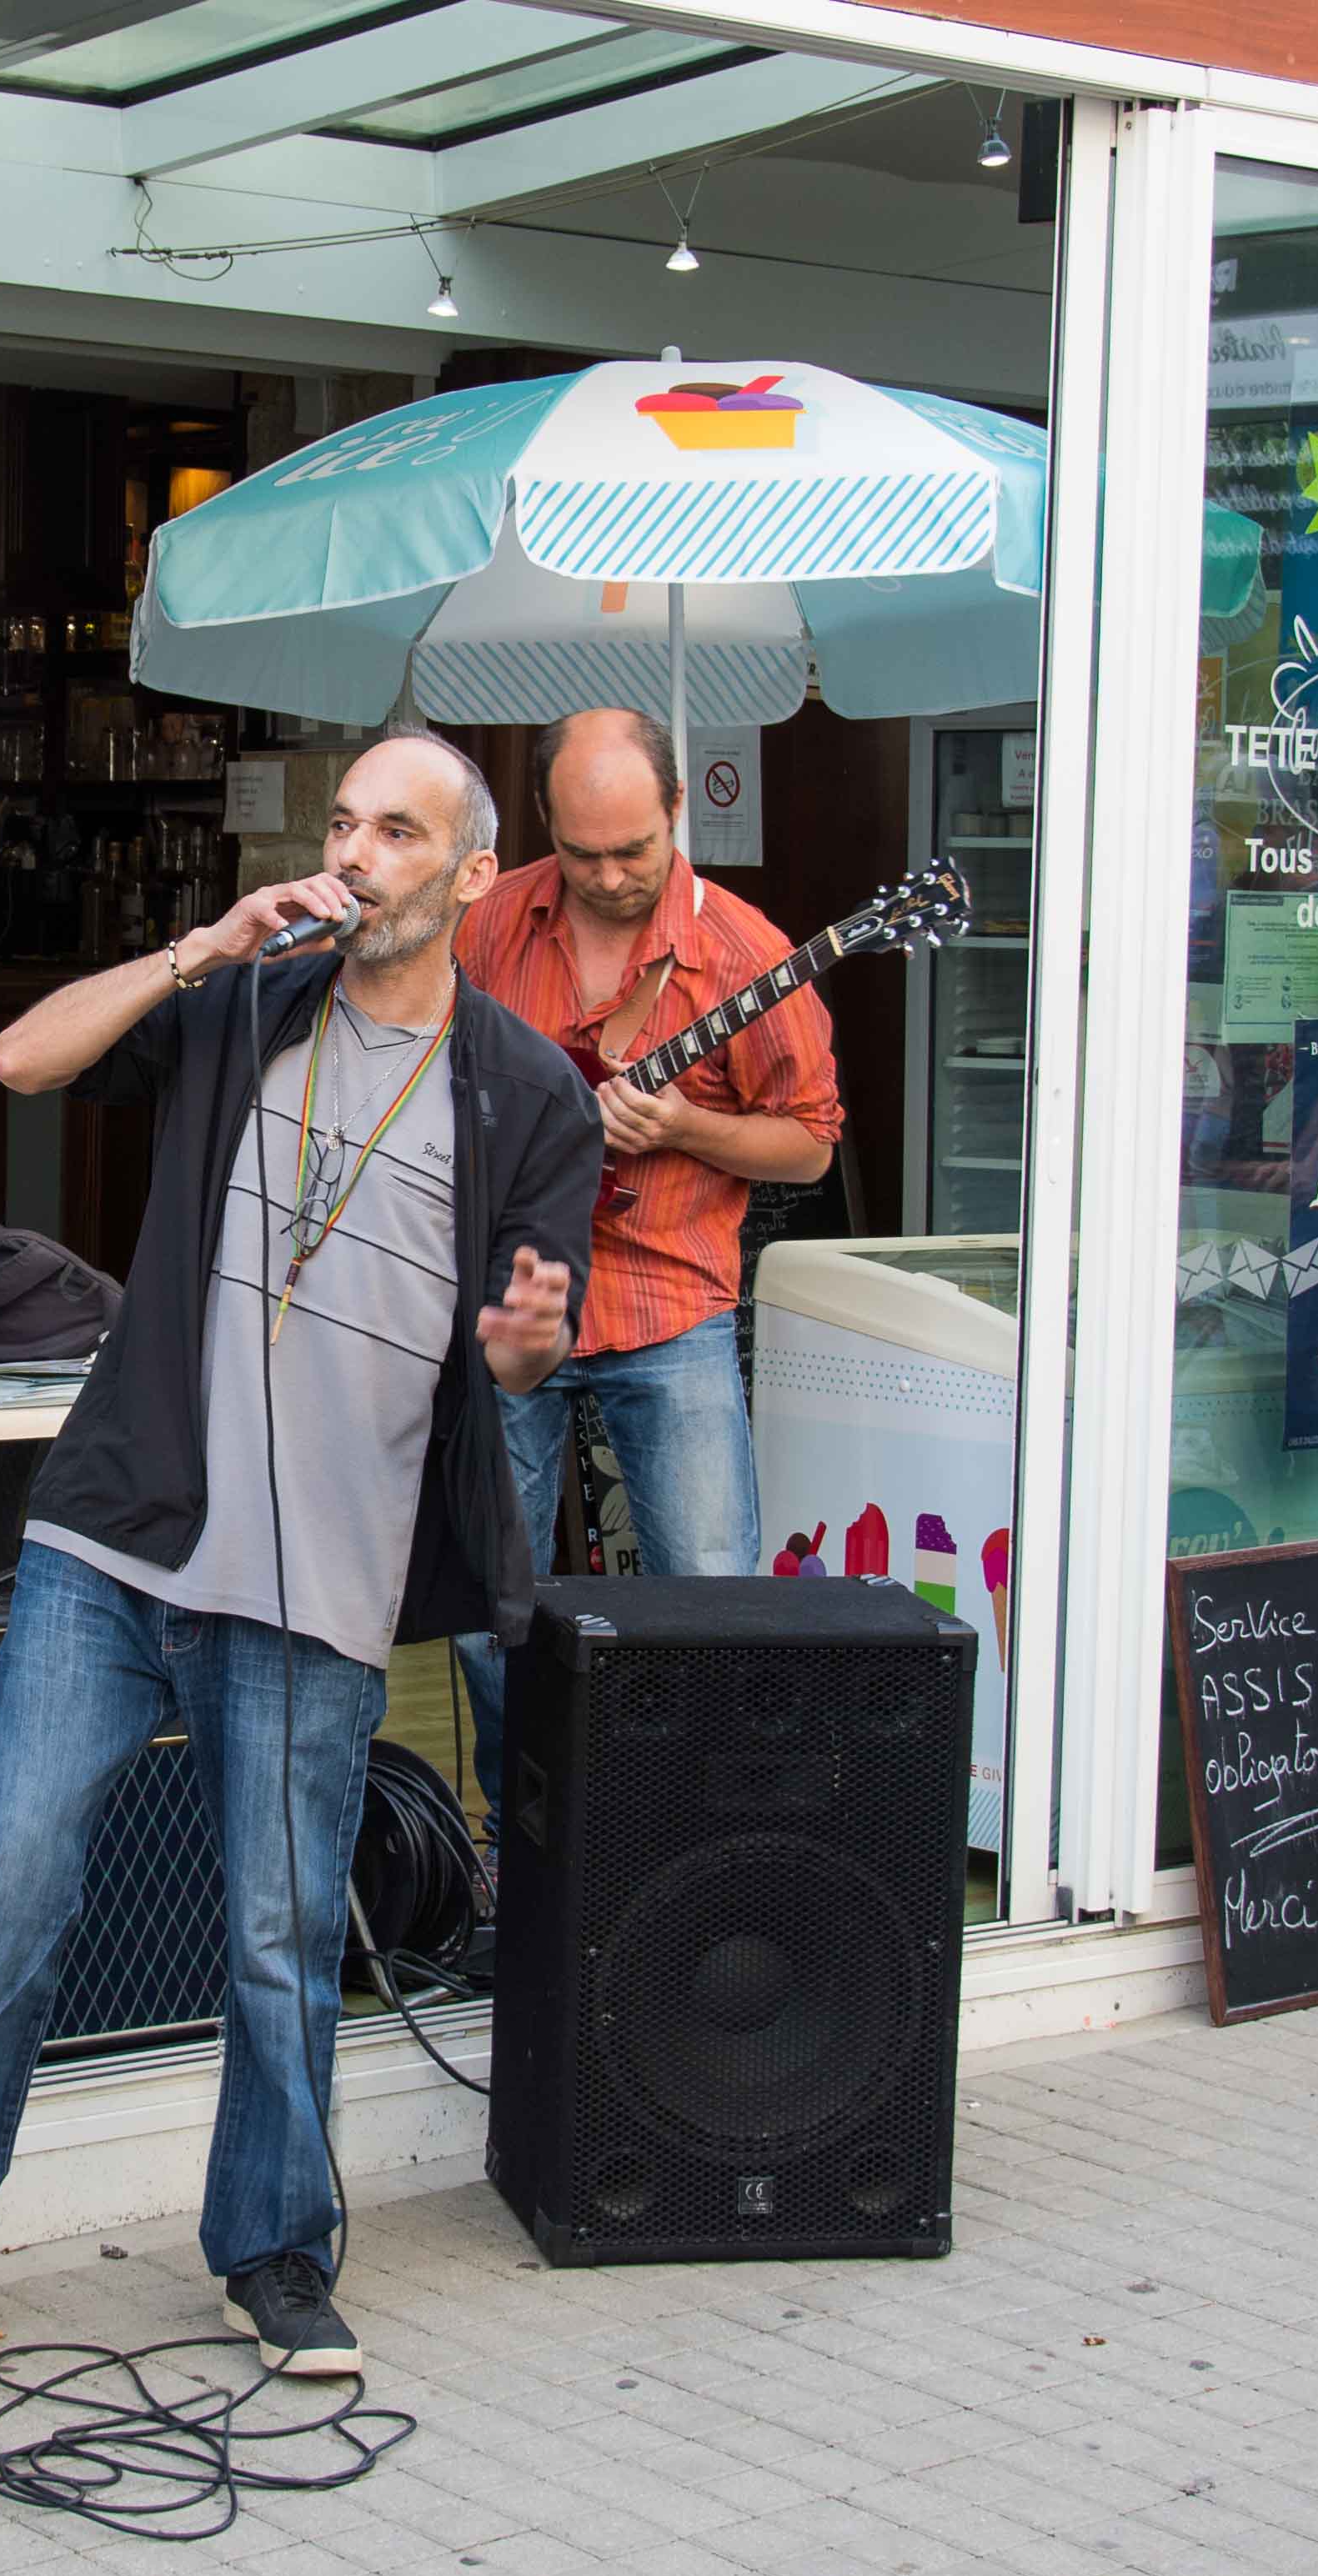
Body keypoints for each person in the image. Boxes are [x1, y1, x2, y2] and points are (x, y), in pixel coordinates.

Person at [0, 732, 601, 2376]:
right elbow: (18, 1057)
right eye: (342, 821)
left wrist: (521, 1341)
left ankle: (275, 2246)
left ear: (466, 872)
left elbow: (521, 1349)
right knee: (12, 1852)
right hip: (121, 1525)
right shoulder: (248, 1000)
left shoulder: (524, 1091)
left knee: (276, 1923)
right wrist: (197, 942)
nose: (355, 852)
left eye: (395, 830)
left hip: (320, 1575)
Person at [451, 706, 842, 1809]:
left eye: (635, 848)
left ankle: (703, 1834)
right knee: (488, 1595)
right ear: (542, 823)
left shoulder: (744, 954)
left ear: (678, 808)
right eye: (584, 853)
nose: (614, 875)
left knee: (711, 1594)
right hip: (511, 1293)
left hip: (666, 1299)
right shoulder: (487, 923)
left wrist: (681, 1127)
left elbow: (809, 1144)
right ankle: (517, 1835)